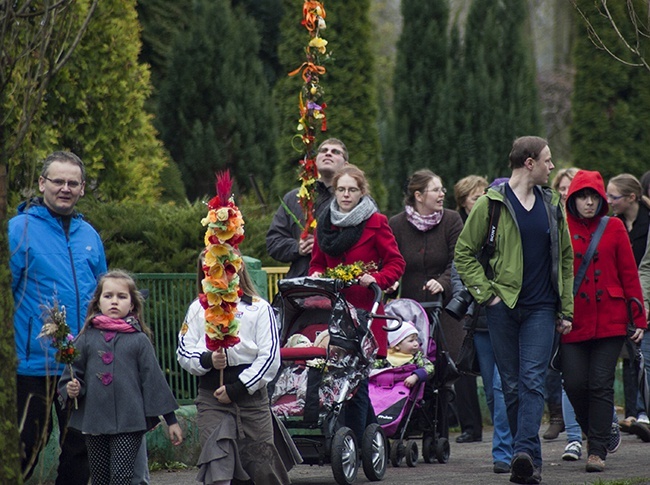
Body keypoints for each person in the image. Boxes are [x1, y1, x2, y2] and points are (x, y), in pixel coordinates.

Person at [455, 136, 574, 485]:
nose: (552, 167)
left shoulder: (552, 204)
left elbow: (565, 258)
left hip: (541, 308)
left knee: (532, 380)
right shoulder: (491, 204)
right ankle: (530, 463)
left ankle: (523, 452)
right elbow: (464, 253)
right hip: (502, 307)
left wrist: (564, 309)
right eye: (547, 161)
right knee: (509, 385)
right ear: (529, 163)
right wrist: (487, 295)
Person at [9, 151, 107, 484]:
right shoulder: (17, 230)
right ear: (42, 183)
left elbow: (104, 300)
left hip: (80, 366)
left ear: (81, 189)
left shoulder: (90, 236)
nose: (65, 188)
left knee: (81, 451)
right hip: (31, 366)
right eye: (58, 181)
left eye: (72, 183)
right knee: (25, 449)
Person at [309, 164, 405, 444]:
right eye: (341, 189)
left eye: (352, 190)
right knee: (348, 383)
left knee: (356, 381)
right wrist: (316, 274)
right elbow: (317, 263)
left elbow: (396, 263)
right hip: (333, 313)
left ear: (362, 192)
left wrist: (374, 278)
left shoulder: (376, 222)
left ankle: (356, 445)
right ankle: (372, 442)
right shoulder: (324, 224)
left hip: (364, 314)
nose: (346, 195)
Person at [58, 270, 183, 484]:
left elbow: (153, 380)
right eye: (108, 296)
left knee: (121, 476)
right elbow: (73, 373)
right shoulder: (86, 337)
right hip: (94, 421)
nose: (114, 301)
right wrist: (72, 388)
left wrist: (171, 421)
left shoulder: (139, 340)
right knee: (99, 477)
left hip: (129, 422)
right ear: (98, 302)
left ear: (132, 304)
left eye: (122, 296)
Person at [177, 260, 294, 484]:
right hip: (212, 398)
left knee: (263, 466)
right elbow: (184, 351)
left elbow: (269, 357)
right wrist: (208, 358)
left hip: (251, 398)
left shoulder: (259, 308)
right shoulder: (197, 309)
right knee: (218, 464)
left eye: (227, 268)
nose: (221, 275)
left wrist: (239, 388)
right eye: (213, 270)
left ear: (239, 268)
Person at [561, 170, 647, 472]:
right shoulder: (562, 227)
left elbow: (628, 274)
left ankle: (596, 449)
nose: (588, 203)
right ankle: (599, 429)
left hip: (610, 319)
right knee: (573, 382)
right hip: (573, 320)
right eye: (582, 197)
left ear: (601, 200)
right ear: (572, 199)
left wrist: (638, 318)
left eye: (594, 197)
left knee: (600, 383)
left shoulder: (613, 227)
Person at [388, 170, 471, 439]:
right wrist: (391, 283)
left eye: (442, 189)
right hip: (411, 309)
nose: (442, 194)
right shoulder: (397, 224)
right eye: (436, 190)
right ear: (419, 195)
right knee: (411, 363)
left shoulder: (451, 220)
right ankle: (408, 422)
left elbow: (458, 259)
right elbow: (393, 261)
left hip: (444, 308)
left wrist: (443, 281)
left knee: (445, 366)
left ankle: (442, 428)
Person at [452, 175, 513, 473]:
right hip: (481, 320)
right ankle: (510, 443)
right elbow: (457, 269)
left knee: (504, 387)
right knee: (491, 389)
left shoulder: (518, 232)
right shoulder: (477, 232)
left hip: (512, 320)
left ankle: (505, 451)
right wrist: (481, 294)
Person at [266, 138, 349, 278]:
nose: (328, 154)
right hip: (300, 285)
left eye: (335, 152)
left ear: (346, 164)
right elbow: (273, 241)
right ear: (315, 161)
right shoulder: (294, 198)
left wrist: (325, 245)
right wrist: (297, 247)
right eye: (324, 151)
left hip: (339, 283)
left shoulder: (353, 199)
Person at [607, 173, 650, 438]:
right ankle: (632, 413)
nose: (609, 201)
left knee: (645, 356)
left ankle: (645, 413)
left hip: (645, 298)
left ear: (631, 197)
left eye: (614, 196)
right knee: (627, 357)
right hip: (623, 300)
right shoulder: (613, 224)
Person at [450, 175, 488, 445]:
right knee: (462, 367)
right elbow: (456, 267)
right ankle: (470, 426)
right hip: (465, 307)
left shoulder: (493, 222)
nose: (482, 200)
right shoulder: (460, 226)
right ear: (464, 203)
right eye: (476, 197)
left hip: (490, 304)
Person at [543, 168, 580, 441]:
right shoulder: (551, 215)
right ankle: (557, 415)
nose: (567, 193)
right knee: (551, 362)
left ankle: (583, 418)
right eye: (563, 188)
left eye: (572, 188)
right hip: (554, 297)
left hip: (583, 298)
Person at [373, 321, 434, 388]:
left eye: (416, 340)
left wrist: (415, 376)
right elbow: (372, 369)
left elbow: (430, 367)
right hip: (384, 386)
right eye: (411, 341)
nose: (416, 344)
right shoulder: (386, 356)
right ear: (397, 345)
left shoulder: (416, 356)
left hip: (407, 389)